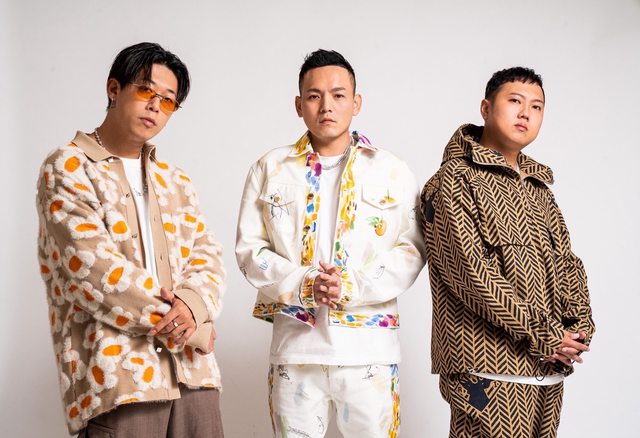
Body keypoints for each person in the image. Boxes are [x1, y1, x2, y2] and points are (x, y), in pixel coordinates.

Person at [36, 42, 225, 437]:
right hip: (119, 380)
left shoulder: (175, 180)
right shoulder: (68, 168)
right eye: (145, 90)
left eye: (168, 101)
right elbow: (93, 272)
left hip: (194, 375)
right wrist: (194, 328)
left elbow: (207, 256)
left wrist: (194, 306)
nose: (155, 106)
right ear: (113, 89)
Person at [235, 49, 425, 437]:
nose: (326, 106)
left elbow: (412, 249)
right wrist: (306, 284)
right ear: (298, 105)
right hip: (295, 350)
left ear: (356, 103)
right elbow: (250, 250)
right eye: (314, 96)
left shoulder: (391, 170)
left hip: (370, 350)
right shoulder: (270, 168)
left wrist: (350, 286)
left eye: (338, 95)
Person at [420, 66, 595, 437]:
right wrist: (544, 333)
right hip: (486, 371)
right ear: (486, 108)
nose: (525, 113)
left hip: (545, 370)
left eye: (536, 106)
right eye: (514, 101)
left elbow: (568, 264)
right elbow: (471, 275)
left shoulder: (539, 190)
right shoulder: (454, 180)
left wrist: (578, 330)